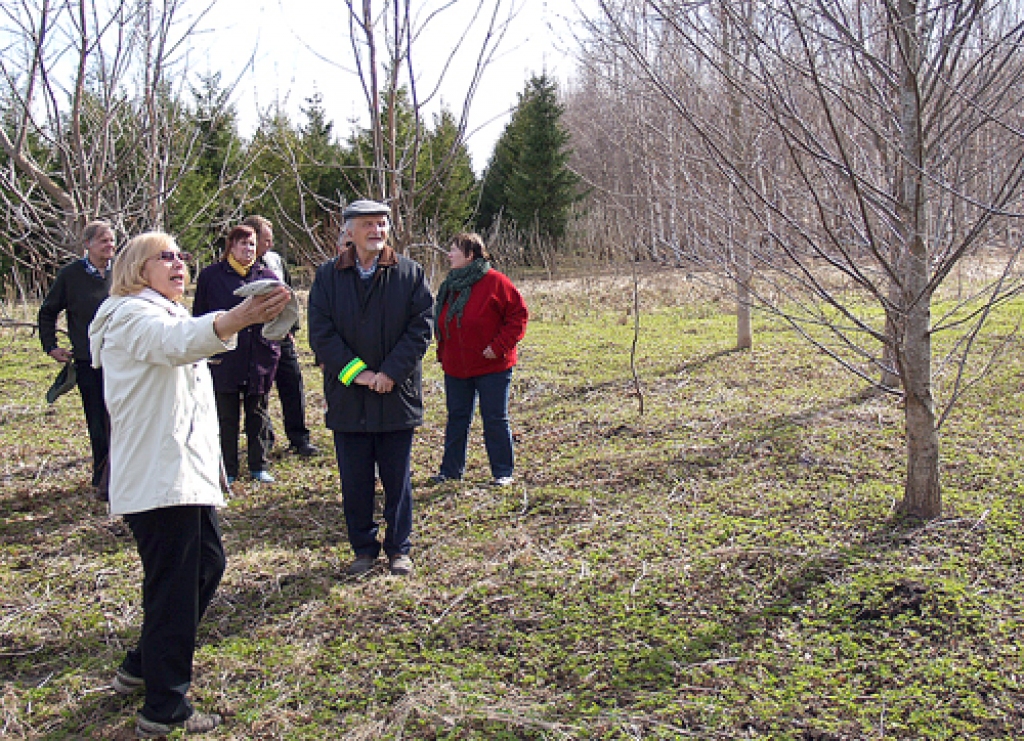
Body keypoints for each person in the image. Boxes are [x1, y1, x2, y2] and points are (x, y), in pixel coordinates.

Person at [88, 231, 290, 738]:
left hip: (182, 475)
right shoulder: (130, 315)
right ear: (137, 268)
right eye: (166, 257)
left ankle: (141, 664)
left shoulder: (165, 311)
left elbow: (186, 358)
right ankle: (164, 706)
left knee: (205, 565)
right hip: (159, 479)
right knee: (174, 589)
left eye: (182, 256)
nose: (180, 264)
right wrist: (238, 320)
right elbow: (175, 345)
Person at [308, 199, 433, 576]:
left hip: (396, 396)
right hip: (349, 397)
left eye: (382, 224)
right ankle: (363, 549)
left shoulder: (410, 273)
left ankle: (399, 549)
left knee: (398, 480)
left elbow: (421, 328)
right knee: (355, 481)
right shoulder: (327, 277)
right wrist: (359, 374)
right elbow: (321, 334)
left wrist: (390, 373)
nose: (377, 231)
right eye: (368, 224)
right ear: (348, 231)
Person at [430, 233, 528, 487]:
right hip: (456, 366)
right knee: (456, 418)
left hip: (492, 366)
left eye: (454, 250)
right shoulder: (450, 285)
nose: (449, 254)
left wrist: (499, 347)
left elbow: (518, 316)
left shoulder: (496, 282)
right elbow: (442, 321)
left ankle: (503, 472)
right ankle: (451, 471)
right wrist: (443, 353)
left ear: (470, 254)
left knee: (494, 418)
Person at [193, 225, 282, 484]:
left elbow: (281, 316)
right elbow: (199, 315)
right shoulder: (211, 276)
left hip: (259, 356)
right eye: (243, 243)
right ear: (231, 246)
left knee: (258, 413)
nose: (248, 249)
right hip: (225, 357)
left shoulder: (266, 276)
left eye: (252, 244)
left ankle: (258, 465)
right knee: (226, 415)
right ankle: (228, 468)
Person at [38, 220, 116, 497]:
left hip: (122, 359)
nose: (109, 245)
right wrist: (51, 346)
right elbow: (48, 311)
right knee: (97, 420)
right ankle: (102, 478)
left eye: (112, 240)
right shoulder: (71, 275)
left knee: (122, 419)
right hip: (88, 360)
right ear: (88, 244)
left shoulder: (122, 272)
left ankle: (123, 476)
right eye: (103, 241)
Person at [242, 214, 319, 457]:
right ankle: (264, 441)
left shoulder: (275, 261)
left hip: (282, 335)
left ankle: (299, 439)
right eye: (265, 240)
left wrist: (292, 329)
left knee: (292, 385)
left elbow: (291, 297)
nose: (270, 245)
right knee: (259, 392)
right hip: (254, 338)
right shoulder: (240, 265)